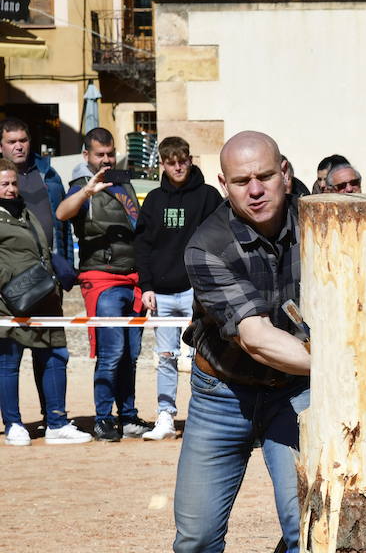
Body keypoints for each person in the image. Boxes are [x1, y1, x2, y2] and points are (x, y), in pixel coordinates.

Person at [141, 131, 312, 553]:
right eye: (241, 182)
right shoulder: (206, 244)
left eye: (264, 176)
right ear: (224, 185)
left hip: (297, 394)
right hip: (223, 397)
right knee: (194, 542)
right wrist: (348, 364)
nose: (256, 190)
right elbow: (258, 339)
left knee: (309, 531)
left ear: (285, 171)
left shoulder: (322, 225)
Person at [55, 127, 152, 442]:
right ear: (87, 156)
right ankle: (102, 418)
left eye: (110, 154)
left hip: (133, 279)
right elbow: (61, 213)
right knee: (112, 352)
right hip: (102, 279)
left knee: (132, 352)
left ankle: (128, 415)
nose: (107, 160)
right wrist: (87, 192)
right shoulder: (81, 186)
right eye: (100, 155)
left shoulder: (124, 183)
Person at [133, 136, 224, 441]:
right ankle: (165, 415)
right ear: (162, 164)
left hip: (197, 291)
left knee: (206, 354)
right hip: (161, 292)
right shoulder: (155, 201)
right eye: (170, 162)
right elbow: (143, 246)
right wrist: (146, 286)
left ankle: (206, 416)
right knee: (166, 356)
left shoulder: (209, 196)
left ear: (190, 159)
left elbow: (219, 240)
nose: (177, 167)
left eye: (182, 161)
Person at [0, 158, 90, 445]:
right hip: (9, 301)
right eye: (4, 184)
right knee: (9, 363)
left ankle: (56, 422)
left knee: (55, 357)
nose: (11, 189)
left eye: (13, 183)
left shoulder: (27, 212)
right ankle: (13, 423)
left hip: (45, 298)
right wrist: (10, 279)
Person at [2, 119, 73, 277]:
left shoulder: (49, 173)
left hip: (50, 270)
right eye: (12, 142)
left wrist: (66, 265)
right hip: (14, 275)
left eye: (23, 140)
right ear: (0, 147)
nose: (19, 146)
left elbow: (64, 225)